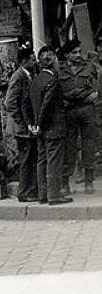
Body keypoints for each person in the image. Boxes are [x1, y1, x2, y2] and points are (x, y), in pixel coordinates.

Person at [25, 48, 72, 205]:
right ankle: (54, 195)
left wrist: (32, 124)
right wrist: (39, 124)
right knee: (54, 161)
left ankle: (43, 194)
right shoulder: (53, 82)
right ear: (53, 63)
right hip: (53, 128)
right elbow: (47, 106)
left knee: (42, 160)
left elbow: (25, 104)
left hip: (40, 130)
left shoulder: (35, 80)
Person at [58, 39, 98, 194]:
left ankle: (89, 181)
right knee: (69, 146)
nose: (78, 55)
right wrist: (62, 101)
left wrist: (97, 94)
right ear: (67, 55)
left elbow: (99, 82)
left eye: (79, 52)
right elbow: (54, 90)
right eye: (74, 52)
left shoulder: (90, 66)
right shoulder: (60, 70)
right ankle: (65, 183)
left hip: (86, 109)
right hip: (69, 111)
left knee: (89, 144)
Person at [5, 48, 38, 202]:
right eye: (32, 59)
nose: (35, 62)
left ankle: (29, 190)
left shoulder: (27, 75)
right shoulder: (18, 76)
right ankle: (23, 192)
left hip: (25, 126)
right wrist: (21, 121)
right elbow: (10, 102)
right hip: (21, 128)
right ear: (24, 61)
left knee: (30, 157)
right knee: (25, 159)